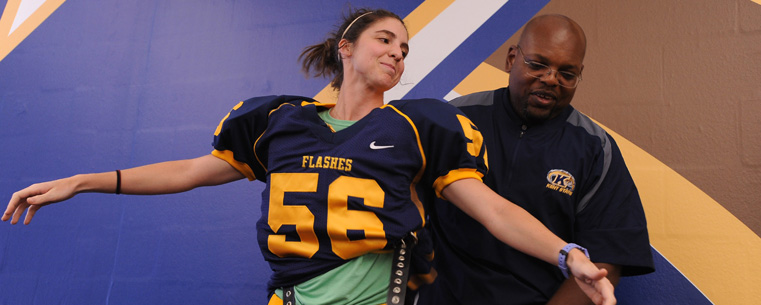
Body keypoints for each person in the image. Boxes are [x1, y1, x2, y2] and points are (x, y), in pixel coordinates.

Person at [3, 9, 616, 305]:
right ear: (346, 48)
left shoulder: (419, 124)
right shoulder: (280, 121)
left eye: (405, 48)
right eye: (385, 40)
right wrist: (83, 181)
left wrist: (569, 255)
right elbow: (190, 172)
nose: (398, 54)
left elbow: (491, 209)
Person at [415, 14, 655, 305]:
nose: (551, 79)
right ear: (511, 58)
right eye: (538, 64)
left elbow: (605, 261)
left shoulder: (594, 148)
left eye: (567, 73)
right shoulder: (455, 120)